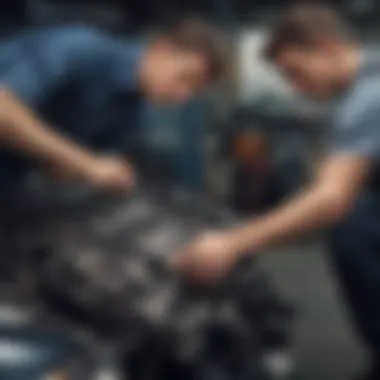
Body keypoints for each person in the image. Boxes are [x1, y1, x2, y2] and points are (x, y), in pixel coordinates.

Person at [174, 4, 380, 379]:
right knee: (359, 221)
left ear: (329, 47)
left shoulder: (369, 97)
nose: (295, 87)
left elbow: (330, 200)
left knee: (354, 227)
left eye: (296, 72)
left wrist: (232, 242)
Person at [0, 19, 225, 193]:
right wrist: (88, 164)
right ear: (161, 48)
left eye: (194, 92)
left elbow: (56, 166)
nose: (183, 95)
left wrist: (106, 173)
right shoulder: (80, 49)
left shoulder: (134, 114)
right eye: (185, 78)